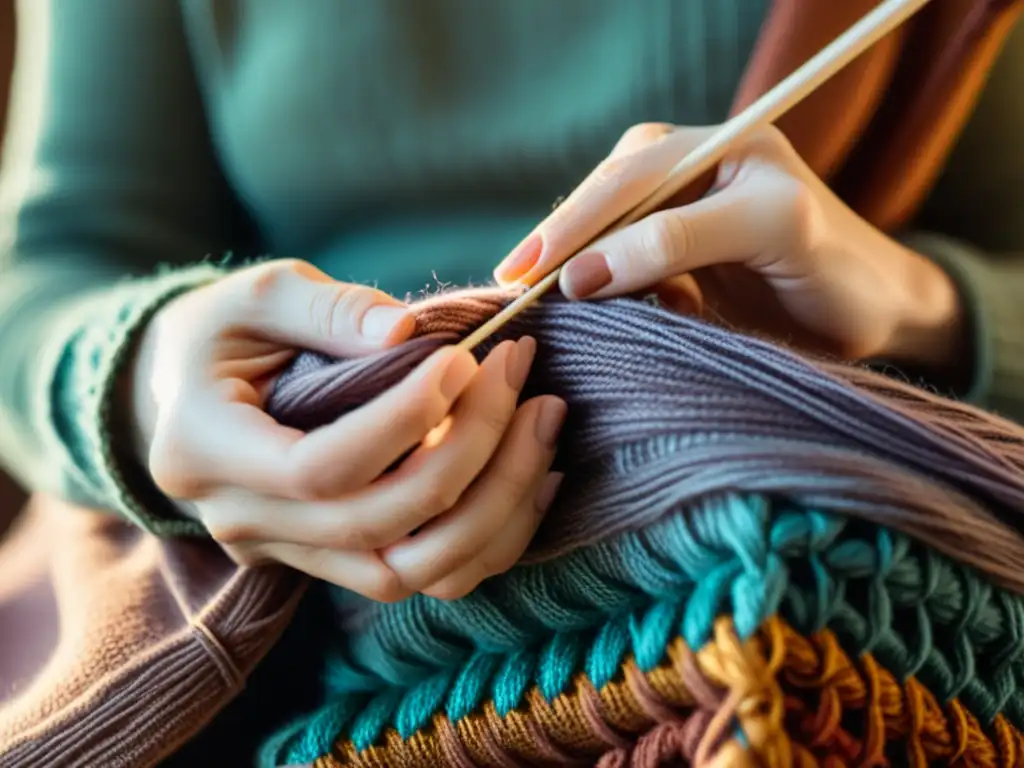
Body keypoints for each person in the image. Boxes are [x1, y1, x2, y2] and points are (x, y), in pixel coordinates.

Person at [0, 0, 1022, 760]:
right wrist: (148, 379)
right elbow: (51, 273)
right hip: (274, 566)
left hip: (799, 578)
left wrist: (921, 306)